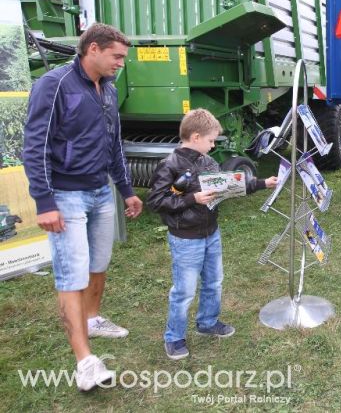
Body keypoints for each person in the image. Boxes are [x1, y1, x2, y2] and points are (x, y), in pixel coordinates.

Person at [22, 23, 143, 391]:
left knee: (98, 265)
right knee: (72, 274)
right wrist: (45, 202)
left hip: (100, 192)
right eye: (116, 56)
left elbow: (114, 143)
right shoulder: (54, 84)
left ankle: (92, 318)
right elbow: (35, 145)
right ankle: (85, 361)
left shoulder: (107, 89)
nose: (121, 63)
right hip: (65, 195)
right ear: (93, 49)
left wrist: (126, 189)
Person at [146, 109, 277, 360]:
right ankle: (174, 337)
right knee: (184, 291)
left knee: (214, 282)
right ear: (195, 137)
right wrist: (191, 198)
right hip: (185, 238)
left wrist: (262, 183)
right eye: (211, 140)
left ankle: (207, 322)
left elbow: (229, 185)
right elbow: (156, 201)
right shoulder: (170, 165)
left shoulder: (208, 162)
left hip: (211, 234)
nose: (213, 144)